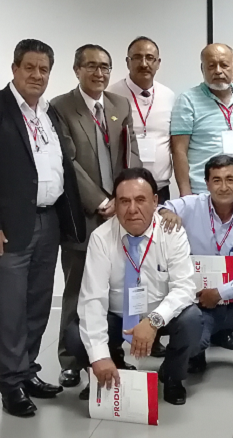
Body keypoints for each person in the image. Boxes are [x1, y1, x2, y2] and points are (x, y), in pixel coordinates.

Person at [0, 39, 85, 417]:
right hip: (8, 226)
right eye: (30, 67)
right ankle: (10, 384)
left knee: (38, 302)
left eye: (43, 69)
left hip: (48, 220)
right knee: (9, 308)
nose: (37, 75)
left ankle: (27, 371)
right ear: (15, 69)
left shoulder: (48, 113)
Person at [66, 168, 203, 405]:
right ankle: (111, 367)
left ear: (155, 201)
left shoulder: (172, 233)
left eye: (140, 200)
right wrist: (98, 357)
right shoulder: (101, 238)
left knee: (192, 319)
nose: (132, 209)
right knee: (74, 335)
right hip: (117, 317)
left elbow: (184, 288)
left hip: (159, 315)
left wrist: (153, 321)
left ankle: (172, 376)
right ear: (115, 204)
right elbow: (93, 298)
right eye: (124, 201)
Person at [52, 44, 141, 389]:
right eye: (90, 66)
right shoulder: (61, 107)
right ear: (77, 70)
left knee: (116, 286)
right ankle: (71, 360)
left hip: (120, 212)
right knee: (78, 288)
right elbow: (68, 161)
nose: (99, 73)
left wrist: (125, 200)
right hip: (83, 213)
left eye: (105, 67)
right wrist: (101, 200)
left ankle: (111, 352)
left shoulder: (120, 105)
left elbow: (131, 155)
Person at [157, 155, 233, 383]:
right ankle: (196, 355)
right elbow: (158, 207)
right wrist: (164, 212)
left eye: (230, 179)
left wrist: (221, 292)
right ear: (207, 183)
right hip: (200, 302)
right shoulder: (191, 206)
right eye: (217, 180)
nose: (223, 187)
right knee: (190, 341)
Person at [170, 43, 233, 198]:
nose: (218, 71)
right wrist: (185, 192)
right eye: (211, 66)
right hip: (202, 191)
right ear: (202, 69)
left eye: (224, 65)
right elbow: (179, 150)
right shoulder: (187, 100)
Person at [108, 36, 175, 201]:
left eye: (150, 58)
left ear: (158, 63)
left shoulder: (168, 96)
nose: (144, 64)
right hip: (124, 189)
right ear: (127, 62)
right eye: (137, 57)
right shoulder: (111, 95)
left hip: (160, 188)